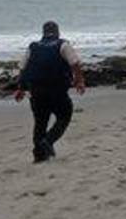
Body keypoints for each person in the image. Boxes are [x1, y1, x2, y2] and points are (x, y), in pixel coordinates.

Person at [15, 21, 85, 163]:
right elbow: (75, 63)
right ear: (58, 32)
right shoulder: (62, 45)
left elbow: (22, 68)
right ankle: (48, 141)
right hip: (57, 90)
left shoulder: (33, 47)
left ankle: (39, 155)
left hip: (36, 91)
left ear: (43, 32)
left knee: (40, 122)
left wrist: (21, 89)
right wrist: (79, 81)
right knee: (64, 116)